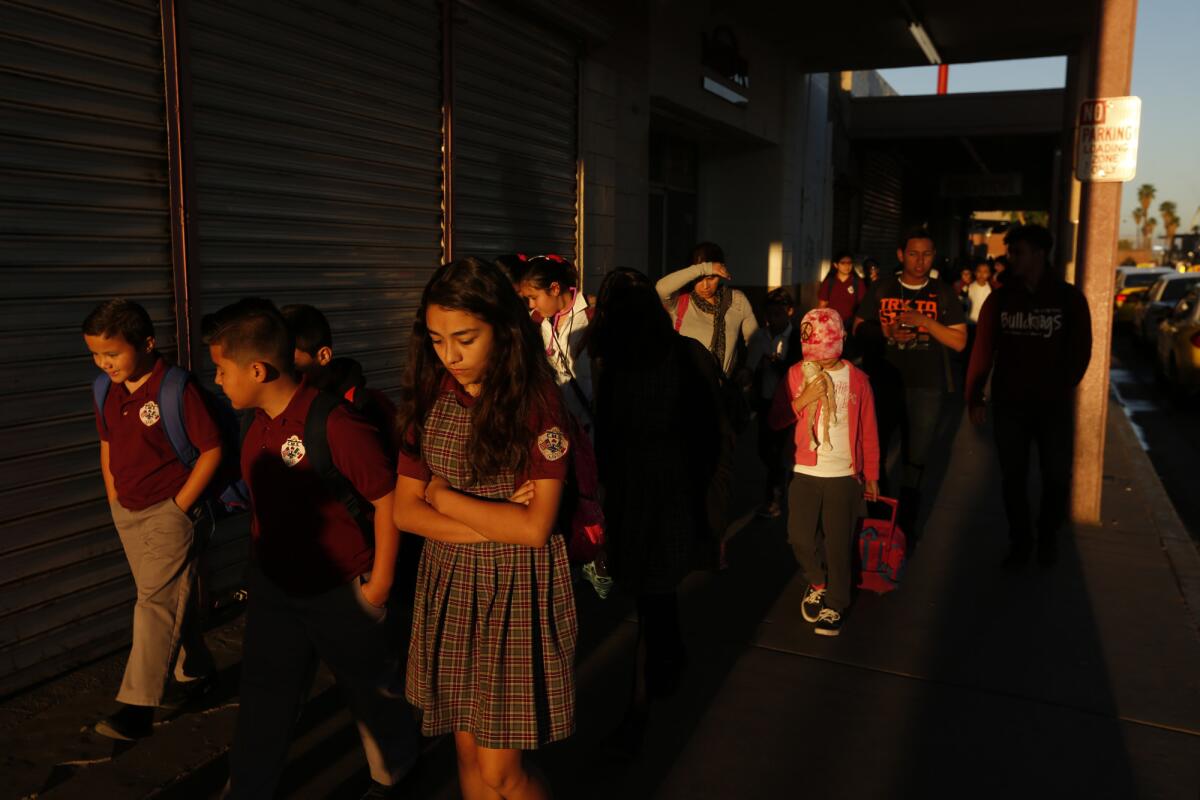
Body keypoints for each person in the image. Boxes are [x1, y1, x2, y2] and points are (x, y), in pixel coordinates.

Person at [205, 299, 417, 799]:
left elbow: (387, 502)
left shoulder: (336, 424)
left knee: (371, 693)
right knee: (263, 698)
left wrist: (379, 587)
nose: (216, 380)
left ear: (257, 369)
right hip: (276, 591)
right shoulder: (254, 423)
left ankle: (397, 772)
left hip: (341, 591)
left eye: (220, 369)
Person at [393, 257, 576, 800]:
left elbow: (536, 529)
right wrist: (498, 522)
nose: (449, 356)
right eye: (436, 340)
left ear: (504, 328)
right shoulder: (430, 393)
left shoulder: (539, 402)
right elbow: (405, 511)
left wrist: (444, 496)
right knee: (468, 756)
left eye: (465, 339)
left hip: (517, 592)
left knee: (502, 772)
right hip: (448, 585)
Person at [590, 268, 726, 750]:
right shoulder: (684, 355)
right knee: (657, 589)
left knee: (650, 591)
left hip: (635, 487)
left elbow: (604, 437)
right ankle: (663, 668)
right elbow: (712, 430)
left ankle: (644, 699)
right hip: (672, 483)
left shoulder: (617, 364)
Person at [82, 299, 220, 741]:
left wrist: (180, 507)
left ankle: (138, 707)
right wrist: (114, 498)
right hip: (129, 510)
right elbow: (107, 443)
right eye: (96, 355)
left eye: (113, 354)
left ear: (146, 343)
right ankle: (195, 671)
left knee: (154, 605)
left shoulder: (175, 388)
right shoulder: (105, 389)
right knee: (166, 597)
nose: (105, 364)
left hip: (170, 511)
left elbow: (212, 450)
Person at [966, 225, 1092, 568]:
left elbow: (1081, 351)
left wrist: (1060, 385)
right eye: (1011, 252)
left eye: (1018, 252)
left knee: (1056, 475)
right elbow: (983, 350)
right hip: (1010, 405)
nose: (1011, 258)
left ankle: (1047, 536)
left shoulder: (1069, 299)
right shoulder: (1001, 298)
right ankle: (1021, 542)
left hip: (1053, 407)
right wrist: (974, 395)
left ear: (1039, 253)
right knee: (1013, 477)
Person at [770, 309, 879, 636]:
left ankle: (836, 602)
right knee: (799, 537)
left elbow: (869, 429)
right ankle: (817, 581)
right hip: (805, 469)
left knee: (838, 543)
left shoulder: (858, 380)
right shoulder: (796, 374)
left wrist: (871, 473)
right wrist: (804, 398)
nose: (821, 361)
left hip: (844, 474)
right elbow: (776, 419)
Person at [854, 227, 967, 535]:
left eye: (927, 254)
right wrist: (887, 332)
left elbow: (959, 341)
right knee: (873, 455)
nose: (920, 261)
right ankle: (880, 520)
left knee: (914, 461)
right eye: (914, 254)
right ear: (901, 255)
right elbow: (858, 327)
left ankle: (906, 527)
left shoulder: (943, 293)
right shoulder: (883, 287)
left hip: (927, 386)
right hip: (883, 382)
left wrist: (925, 322)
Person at [280, 303, 398, 442]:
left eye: (289, 361)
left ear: (323, 356)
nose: (280, 370)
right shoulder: (272, 408)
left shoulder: (364, 408)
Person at [654, 241, 759, 378]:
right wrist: (706, 268)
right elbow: (660, 289)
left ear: (721, 273)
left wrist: (749, 368)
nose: (705, 286)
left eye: (711, 278)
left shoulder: (737, 300)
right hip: (687, 386)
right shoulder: (680, 301)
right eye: (699, 278)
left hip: (722, 390)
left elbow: (756, 339)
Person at [515, 254, 594, 430]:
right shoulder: (534, 322)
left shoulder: (592, 316)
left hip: (589, 426)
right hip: (554, 425)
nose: (531, 304)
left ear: (555, 288)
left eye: (534, 297)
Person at [753, 288, 801, 518]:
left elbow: (799, 369)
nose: (773, 319)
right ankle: (780, 480)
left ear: (790, 312)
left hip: (790, 401)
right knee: (765, 449)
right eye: (770, 314)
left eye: (778, 313)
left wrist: (774, 364)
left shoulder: (798, 338)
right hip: (765, 400)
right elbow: (750, 366)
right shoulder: (760, 336)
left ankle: (773, 497)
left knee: (778, 449)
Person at [817, 251, 867, 326]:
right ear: (836, 265)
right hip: (831, 324)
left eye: (849, 263)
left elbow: (863, 306)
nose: (847, 266)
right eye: (843, 263)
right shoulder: (829, 282)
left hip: (850, 324)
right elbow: (822, 306)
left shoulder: (858, 283)